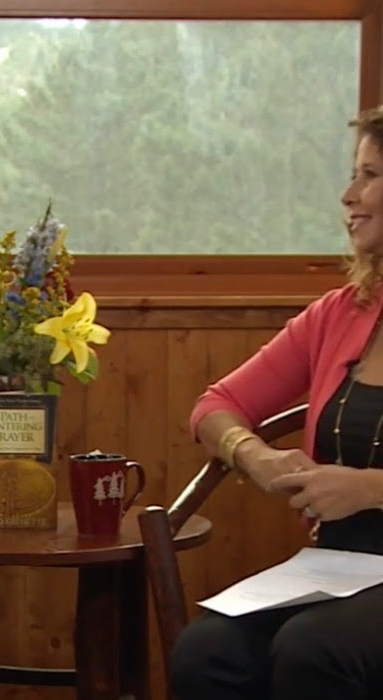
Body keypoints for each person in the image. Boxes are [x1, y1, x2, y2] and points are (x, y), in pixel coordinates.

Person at [169, 106, 383, 699]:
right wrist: (255, 456)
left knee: (314, 650)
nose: (349, 194)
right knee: (204, 651)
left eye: (369, 175)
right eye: (353, 173)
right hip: (338, 570)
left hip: (347, 607)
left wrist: (369, 489)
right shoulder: (341, 312)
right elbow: (216, 405)